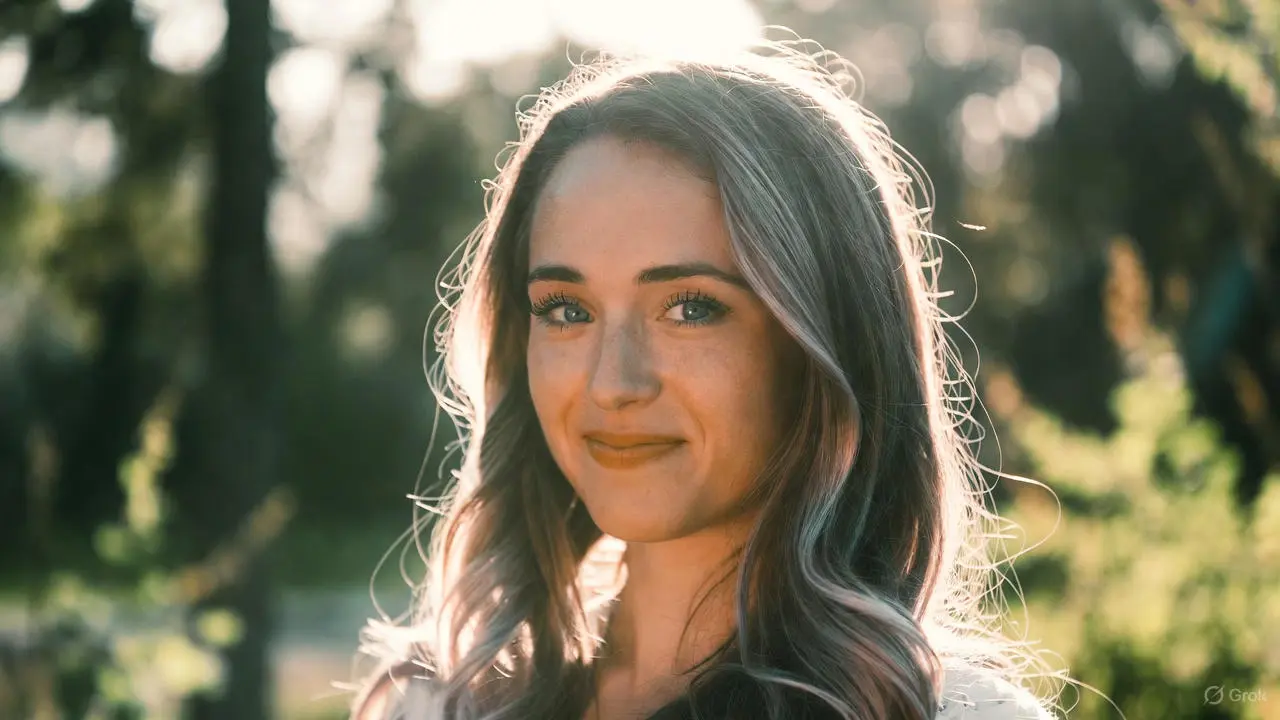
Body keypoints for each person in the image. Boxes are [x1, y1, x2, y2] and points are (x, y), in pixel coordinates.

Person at [350, 37, 1065, 720]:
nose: (612, 384)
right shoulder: (438, 705)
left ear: (822, 344)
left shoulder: (940, 714)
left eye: (689, 308)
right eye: (566, 310)